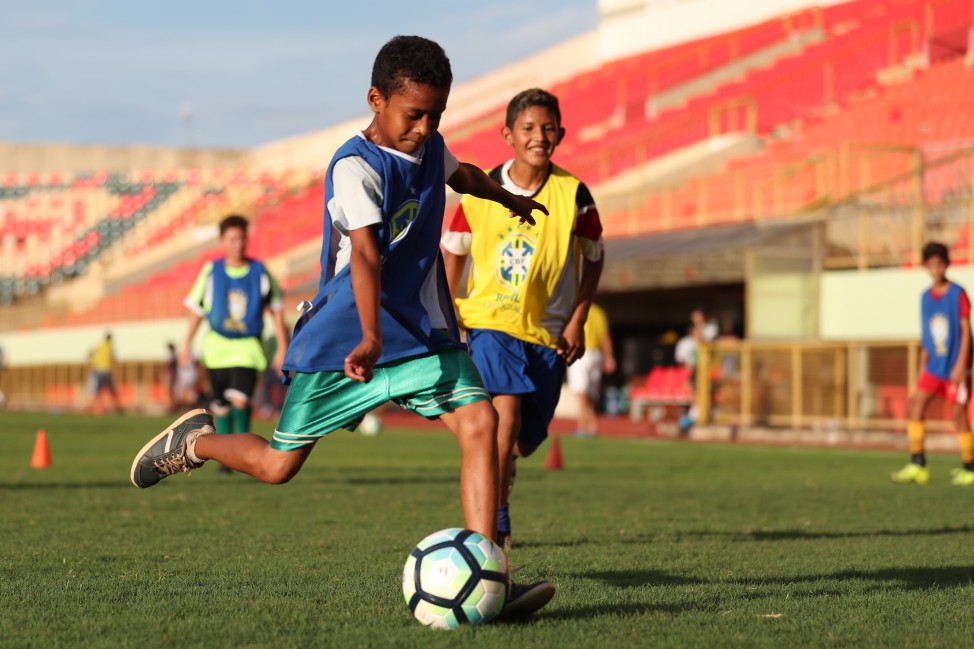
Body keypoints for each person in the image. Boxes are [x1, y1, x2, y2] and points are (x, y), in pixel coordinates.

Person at [130, 36, 554, 617]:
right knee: (278, 467)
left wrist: (506, 198)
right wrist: (371, 338)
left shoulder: (432, 148)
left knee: (480, 424)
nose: (426, 128)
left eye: (436, 115)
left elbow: (464, 175)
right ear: (376, 100)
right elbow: (365, 256)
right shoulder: (355, 167)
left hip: (423, 332)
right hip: (345, 340)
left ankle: (490, 581)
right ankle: (195, 443)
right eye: (414, 115)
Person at [441, 87, 605, 551]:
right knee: (503, 415)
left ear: (562, 134)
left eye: (548, 128)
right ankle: (493, 522)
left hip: (547, 335)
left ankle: (499, 482)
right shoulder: (477, 192)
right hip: (489, 323)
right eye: (529, 128)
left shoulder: (575, 195)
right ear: (507, 134)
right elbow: (452, 255)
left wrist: (578, 318)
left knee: (523, 443)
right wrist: (446, 313)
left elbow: (594, 258)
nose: (539, 136)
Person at [180, 214, 290, 470]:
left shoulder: (259, 272)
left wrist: (282, 347)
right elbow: (196, 309)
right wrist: (187, 343)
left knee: (240, 400)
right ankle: (226, 459)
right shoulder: (211, 271)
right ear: (222, 241)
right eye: (232, 239)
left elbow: (277, 308)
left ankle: (243, 458)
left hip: (248, 350)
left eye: (241, 238)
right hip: (216, 350)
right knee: (220, 406)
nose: (238, 244)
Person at [891, 242, 974, 485]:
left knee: (958, 414)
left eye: (940, 264)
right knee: (915, 406)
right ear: (926, 267)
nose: (936, 270)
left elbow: (965, 330)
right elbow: (926, 335)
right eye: (931, 265)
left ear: (946, 265)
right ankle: (918, 464)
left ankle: (970, 467)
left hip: (955, 367)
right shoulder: (926, 297)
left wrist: (962, 364)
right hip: (933, 367)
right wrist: (922, 365)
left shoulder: (957, 293)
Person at [567, 303, 616, 437]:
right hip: (596, 355)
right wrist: (609, 357)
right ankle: (593, 426)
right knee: (592, 394)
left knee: (581, 393)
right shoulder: (598, 312)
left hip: (581, 352)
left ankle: (582, 426)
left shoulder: (575, 308)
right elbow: (605, 336)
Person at [85, 332, 123, 414]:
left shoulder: (100, 345)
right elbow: (113, 358)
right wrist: (115, 369)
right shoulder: (110, 346)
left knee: (96, 391)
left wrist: (91, 364)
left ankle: (91, 408)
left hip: (97, 370)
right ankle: (117, 409)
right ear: (110, 339)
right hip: (105, 371)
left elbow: (90, 354)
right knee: (110, 391)